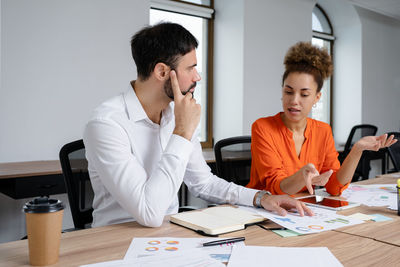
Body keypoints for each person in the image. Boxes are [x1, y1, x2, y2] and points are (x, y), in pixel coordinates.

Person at [83, 23, 312, 228]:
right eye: (190, 68)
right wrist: (182, 132)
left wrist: (261, 198)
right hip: (116, 242)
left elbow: (203, 182)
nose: (197, 77)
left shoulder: (176, 114)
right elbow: (150, 213)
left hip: (169, 234)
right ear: (162, 72)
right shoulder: (106, 124)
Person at [247, 42, 397, 196]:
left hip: (299, 209)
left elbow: (334, 187)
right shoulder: (262, 127)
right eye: (288, 92)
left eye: (304, 94)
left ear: (317, 97)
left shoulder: (322, 131)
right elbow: (275, 188)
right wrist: (302, 177)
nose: (294, 100)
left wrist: (357, 150)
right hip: (260, 210)